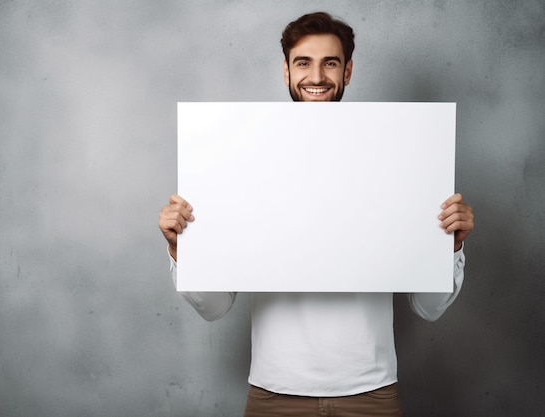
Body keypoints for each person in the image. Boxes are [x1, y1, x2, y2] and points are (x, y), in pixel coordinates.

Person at [158, 12, 474, 417]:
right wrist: (182, 251)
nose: (317, 76)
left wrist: (450, 247)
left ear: (348, 71)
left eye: (331, 62)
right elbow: (214, 307)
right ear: (286, 71)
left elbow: (428, 307)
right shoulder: (244, 160)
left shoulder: (395, 157)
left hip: (371, 392)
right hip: (275, 393)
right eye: (303, 62)